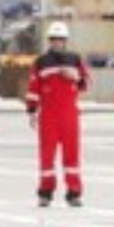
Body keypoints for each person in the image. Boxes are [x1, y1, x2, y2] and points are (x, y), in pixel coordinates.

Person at [28, 21, 89, 207]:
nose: (57, 42)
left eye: (60, 39)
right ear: (49, 40)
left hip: (69, 115)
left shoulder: (75, 60)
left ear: (65, 41)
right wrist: (32, 110)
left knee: (72, 156)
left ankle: (74, 193)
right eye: (54, 39)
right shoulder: (41, 62)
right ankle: (45, 193)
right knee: (47, 156)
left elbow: (85, 83)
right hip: (49, 116)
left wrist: (75, 76)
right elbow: (34, 88)